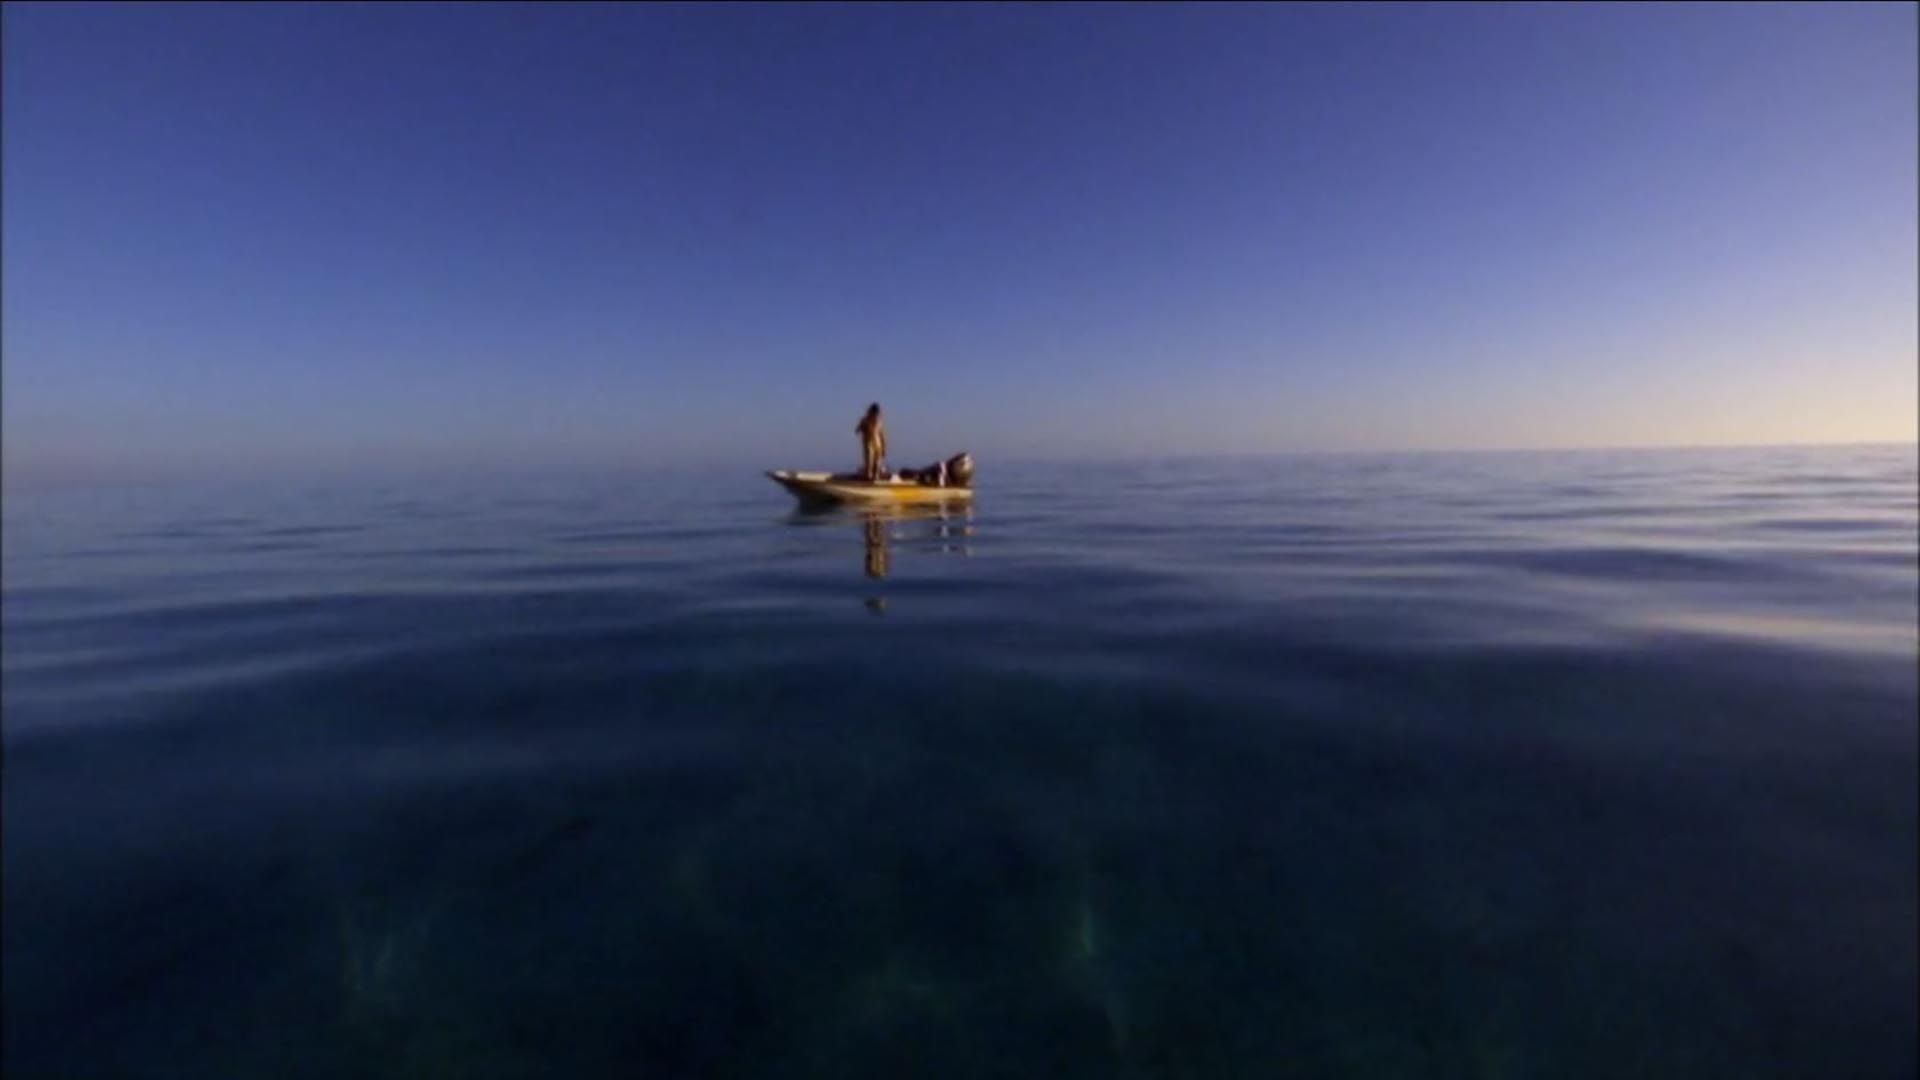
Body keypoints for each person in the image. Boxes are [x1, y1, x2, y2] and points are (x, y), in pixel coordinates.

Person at [856, 402, 887, 481]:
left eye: (877, 412)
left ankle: (875, 478)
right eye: (875, 412)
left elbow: (882, 434)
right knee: (869, 462)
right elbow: (857, 430)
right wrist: (863, 428)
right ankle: (868, 477)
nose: (876, 414)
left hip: (877, 443)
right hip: (868, 443)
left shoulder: (879, 421)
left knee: (877, 463)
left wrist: (884, 447)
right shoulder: (865, 420)